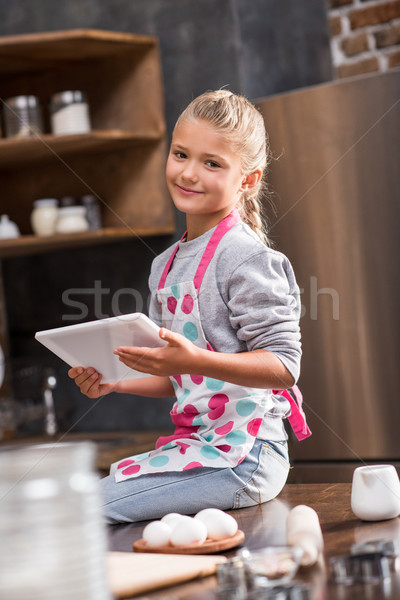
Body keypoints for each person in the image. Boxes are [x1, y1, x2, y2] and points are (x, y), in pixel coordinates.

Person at [69, 90, 311, 524]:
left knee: (86, 508)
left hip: (246, 454)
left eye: (212, 163)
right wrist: (114, 382)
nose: (189, 173)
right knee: (86, 499)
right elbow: (176, 377)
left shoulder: (246, 257)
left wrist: (196, 358)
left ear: (248, 180)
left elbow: (284, 364)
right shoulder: (166, 264)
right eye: (181, 154)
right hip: (203, 445)